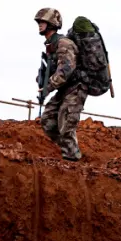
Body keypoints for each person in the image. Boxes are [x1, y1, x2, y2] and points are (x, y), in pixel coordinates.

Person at [35, 8, 86, 161]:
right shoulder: (51, 45)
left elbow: (66, 70)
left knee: (65, 126)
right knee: (48, 122)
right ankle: (71, 150)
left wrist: (48, 87)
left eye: (42, 21)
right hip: (64, 90)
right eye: (39, 22)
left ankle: (73, 159)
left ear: (52, 23)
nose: (39, 24)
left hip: (76, 89)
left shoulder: (63, 43)